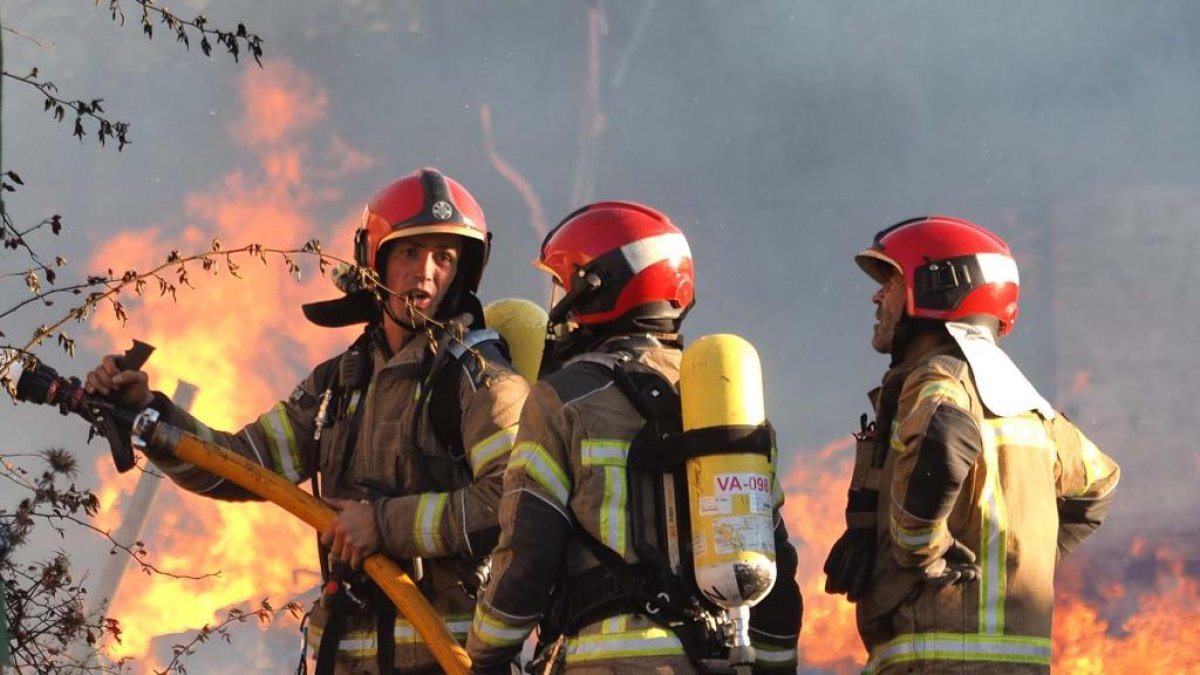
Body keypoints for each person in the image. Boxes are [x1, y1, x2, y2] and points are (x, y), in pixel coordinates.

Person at [85, 168, 530, 674]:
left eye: (443, 257)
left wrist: (384, 525)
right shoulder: (339, 385)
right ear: (375, 261)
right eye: (409, 251)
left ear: (462, 272)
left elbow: (514, 503)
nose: (425, 271)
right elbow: (242, 465)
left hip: (441, 661)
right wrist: (148, 414)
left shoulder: (482, 383)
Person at [466, 201, 802, 674]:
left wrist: (485, 653)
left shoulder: (563, 398)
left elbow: (527, 552)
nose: (558, 302)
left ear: (597, 289)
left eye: (565, 284)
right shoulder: (719, 397)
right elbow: (776, 562)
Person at [823, 215, 1120, 673]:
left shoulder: (937, 379)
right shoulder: (1028, 407)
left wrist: (922, 546)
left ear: (935, 289)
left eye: (892, 281)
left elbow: (944, 434)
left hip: (937, 661)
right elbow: (1098, 483)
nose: (878, 296)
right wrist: (1024, 560)